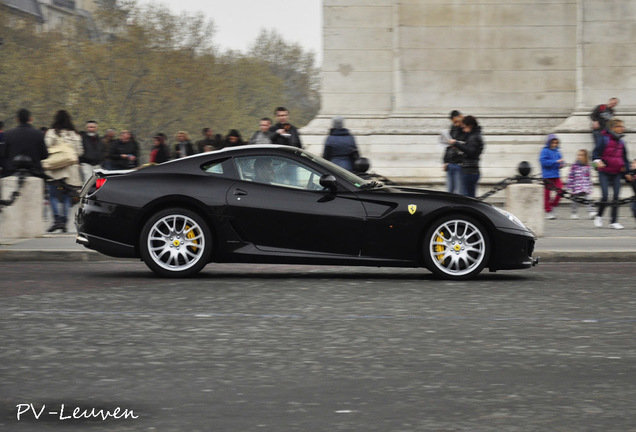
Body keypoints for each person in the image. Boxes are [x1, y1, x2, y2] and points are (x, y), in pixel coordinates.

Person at [43, 110, 83, 233]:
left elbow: (45, 146)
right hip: (70, 169)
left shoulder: (51, 132)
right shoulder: (75, 134)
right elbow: (80, 152)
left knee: (53, 194)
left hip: (55, 167)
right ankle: (64, 222)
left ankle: (56, 220)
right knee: (67, 196)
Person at [592, 118, 632, 229]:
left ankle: (614, 221)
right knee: (605, 196)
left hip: (617, 173)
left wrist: (627, 172)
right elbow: (595, 153)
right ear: (613, 128)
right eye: (620, 126)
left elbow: (625, 158)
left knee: (616, 197)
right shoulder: (603, 139)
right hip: (604, 172)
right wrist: (597, 161)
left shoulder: (621, 142)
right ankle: (599, 216)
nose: (622, 128)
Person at [2, 108, 49, 177]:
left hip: (12, 173)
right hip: (35, 173)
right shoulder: (39, 134)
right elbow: (44, 155)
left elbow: (4, 154)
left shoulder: (8, 134)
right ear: (30, 119)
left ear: (17, 119)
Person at [449, 115, 484, 198]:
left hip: (469, 170)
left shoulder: (473, 137)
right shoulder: (475, 136)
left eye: (464, 127)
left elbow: (470, 151)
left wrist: (456, 143)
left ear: (470, 126)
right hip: (472, 169)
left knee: (466, 197)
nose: (464, 130)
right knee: (470, 196)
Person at [539, 134, 565, 219]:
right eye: (553, 142)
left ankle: (553, 206)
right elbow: (543, 162)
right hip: (547, 176)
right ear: (549, 142)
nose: (554, 144)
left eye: (556, 143)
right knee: (547, 195)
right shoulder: (544, 151)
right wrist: (556, 161)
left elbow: (560, 163)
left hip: (556, 175)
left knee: (560, 191)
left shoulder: (558, 152)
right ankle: (548, 211)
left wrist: (561, 165)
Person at [567, 149, 595, 219]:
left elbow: (588, 177)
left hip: (585, 186)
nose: (579, 156)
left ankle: (591, 212)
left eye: (581, 155)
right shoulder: (574, 166)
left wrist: (590, 186)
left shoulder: (587, 166)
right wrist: (570, 186)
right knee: (575, 201)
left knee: (589, 199)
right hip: (576, 187)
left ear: (585, 157)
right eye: (578, 155)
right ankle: (574, 213)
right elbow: (571, 176)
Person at [443, 110, 465, 194]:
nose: (454, 122)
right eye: (453, 120)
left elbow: (465, 145)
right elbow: (447, 146)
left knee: (459, 191)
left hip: (459, 164)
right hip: (450, 163)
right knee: (449, 191)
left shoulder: (464, 129)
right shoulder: (453, 128)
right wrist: (445, 161)